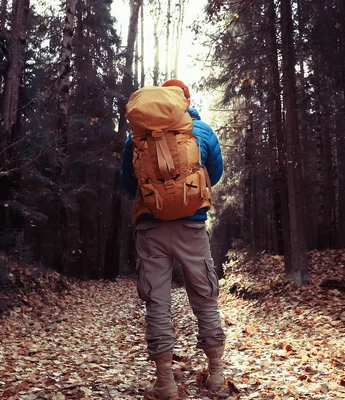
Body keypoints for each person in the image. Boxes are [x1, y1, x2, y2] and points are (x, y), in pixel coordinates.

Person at [120, 79, 226, 400]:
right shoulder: (202, 131)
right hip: (192, 228)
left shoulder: (136, 137)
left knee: (157, 301)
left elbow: (128, 185)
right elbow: (216, 174)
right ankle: (217, 375)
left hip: (151, 229)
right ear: (184, 101)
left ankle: (165, 383)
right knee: (204, 296)